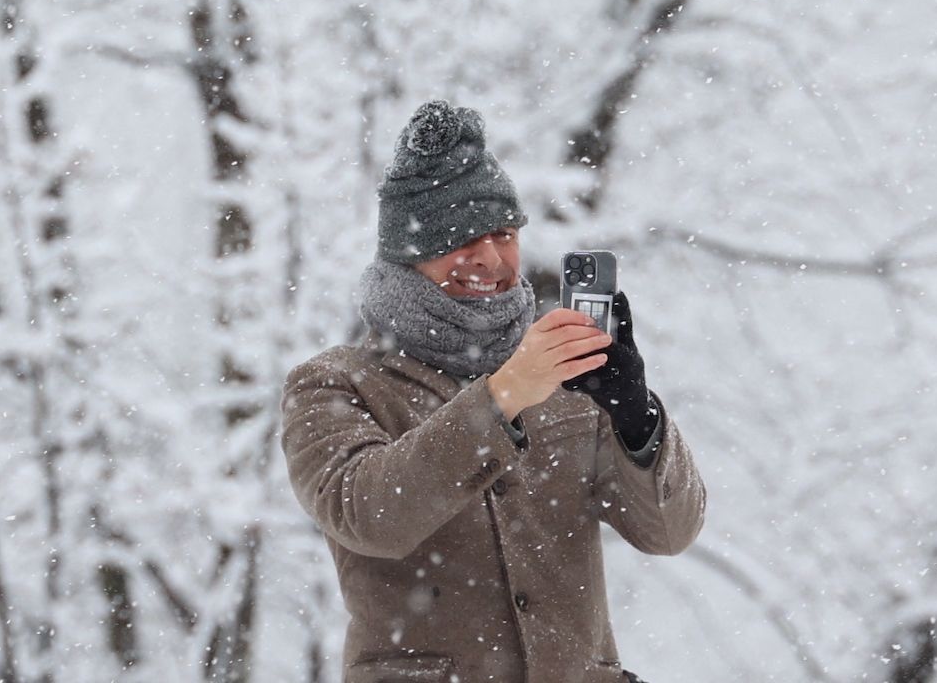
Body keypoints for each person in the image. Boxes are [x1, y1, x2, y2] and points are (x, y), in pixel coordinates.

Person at [282, 100, 708, 683]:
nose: (488, 257)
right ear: (407, 255)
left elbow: (670, 532)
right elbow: (368, 513)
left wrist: (637, 418)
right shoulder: (336, 383)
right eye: (458, 238)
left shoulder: (567, 375)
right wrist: (503, 396)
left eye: (503, 234)